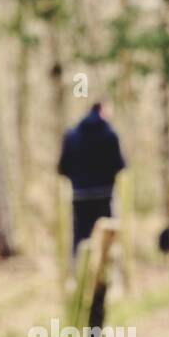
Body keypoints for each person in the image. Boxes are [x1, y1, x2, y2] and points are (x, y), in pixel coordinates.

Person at [57, 102, 126, 255]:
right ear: (102, 110)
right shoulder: (110, 135)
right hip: (104, 195)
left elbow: (62, 168)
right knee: (106, 239)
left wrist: (78, 179)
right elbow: (120, 165)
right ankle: (104, 276)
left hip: (79, 196)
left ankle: (79, 273)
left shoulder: (71, 135)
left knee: (81, 239)